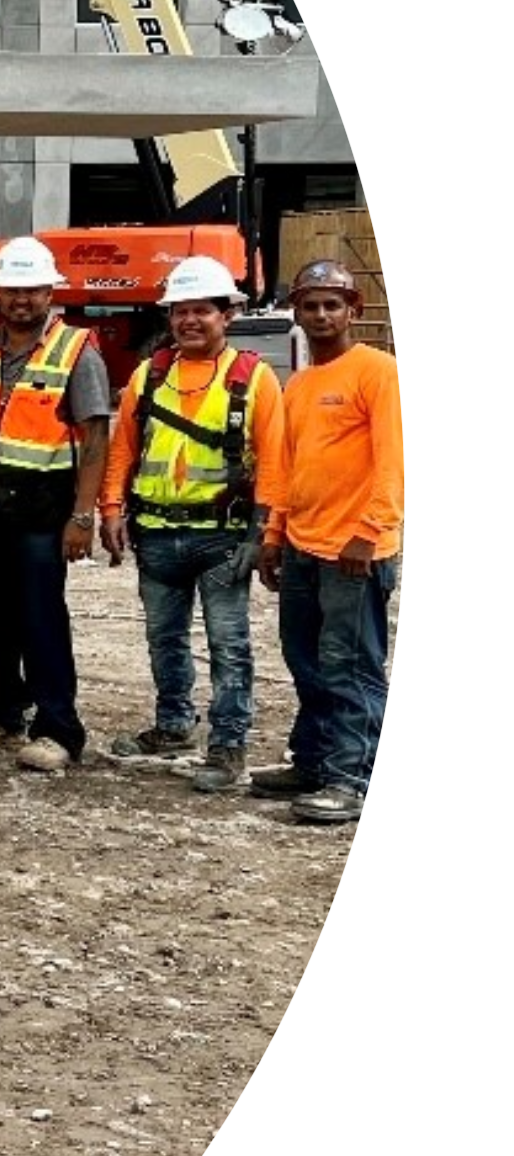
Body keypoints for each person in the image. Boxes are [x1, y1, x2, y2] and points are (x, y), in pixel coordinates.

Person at [97, 252, 287, 790]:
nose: (189, 321)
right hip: (156, 533)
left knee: (230, 643)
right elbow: (124, 449)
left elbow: (274, 461)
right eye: (180, 311)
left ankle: (228, 746)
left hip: (223, 537)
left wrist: (263, 534)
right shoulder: (149, 376)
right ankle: (174, 724)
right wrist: (111, 509)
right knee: (164, 638)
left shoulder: (254, 379)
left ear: (227, 314)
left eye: (202, 310)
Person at [0, 236, 114, 776]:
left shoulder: (76, 351)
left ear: (50, 292)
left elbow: (95, 438)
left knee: (40, 617)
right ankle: (0, 710)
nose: (22, 299)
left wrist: (82, 515)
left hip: (44, 508)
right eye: (12, 290)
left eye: (32, 290)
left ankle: (58, 727)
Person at [253, 258, 402, 827]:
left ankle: (351, 777)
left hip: (353, 552)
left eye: (331, 304)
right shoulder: (302, 383)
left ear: (352, 311)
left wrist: (370, 532)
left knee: (352, 666)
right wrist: (273, 535)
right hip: (303, 547)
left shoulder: (377, 371)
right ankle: (314, 760)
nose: (320, 314)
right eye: (310, 304)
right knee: (306, 659)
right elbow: (289, 468)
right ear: (296, 311)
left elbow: (394, 459)